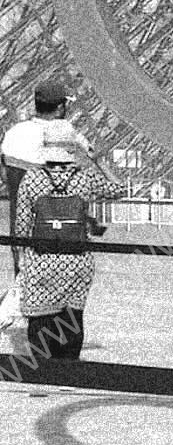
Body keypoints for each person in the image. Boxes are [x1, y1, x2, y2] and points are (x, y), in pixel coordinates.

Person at [12, 127, 122, 365]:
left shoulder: (31, 178)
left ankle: (42, 372)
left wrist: (22, 260)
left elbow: (21, 227)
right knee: (71, 319)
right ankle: (69, 372)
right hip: (76, 261)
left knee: (40, 319)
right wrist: (98, 161)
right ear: (72, 149)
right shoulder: (84, 178)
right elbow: (120, 189)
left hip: (41, 260)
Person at [3, 80, 93, 274]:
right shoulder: (64, 137)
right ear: (60, 108)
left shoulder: (13, 133)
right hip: (55, 232)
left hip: (21, 233)